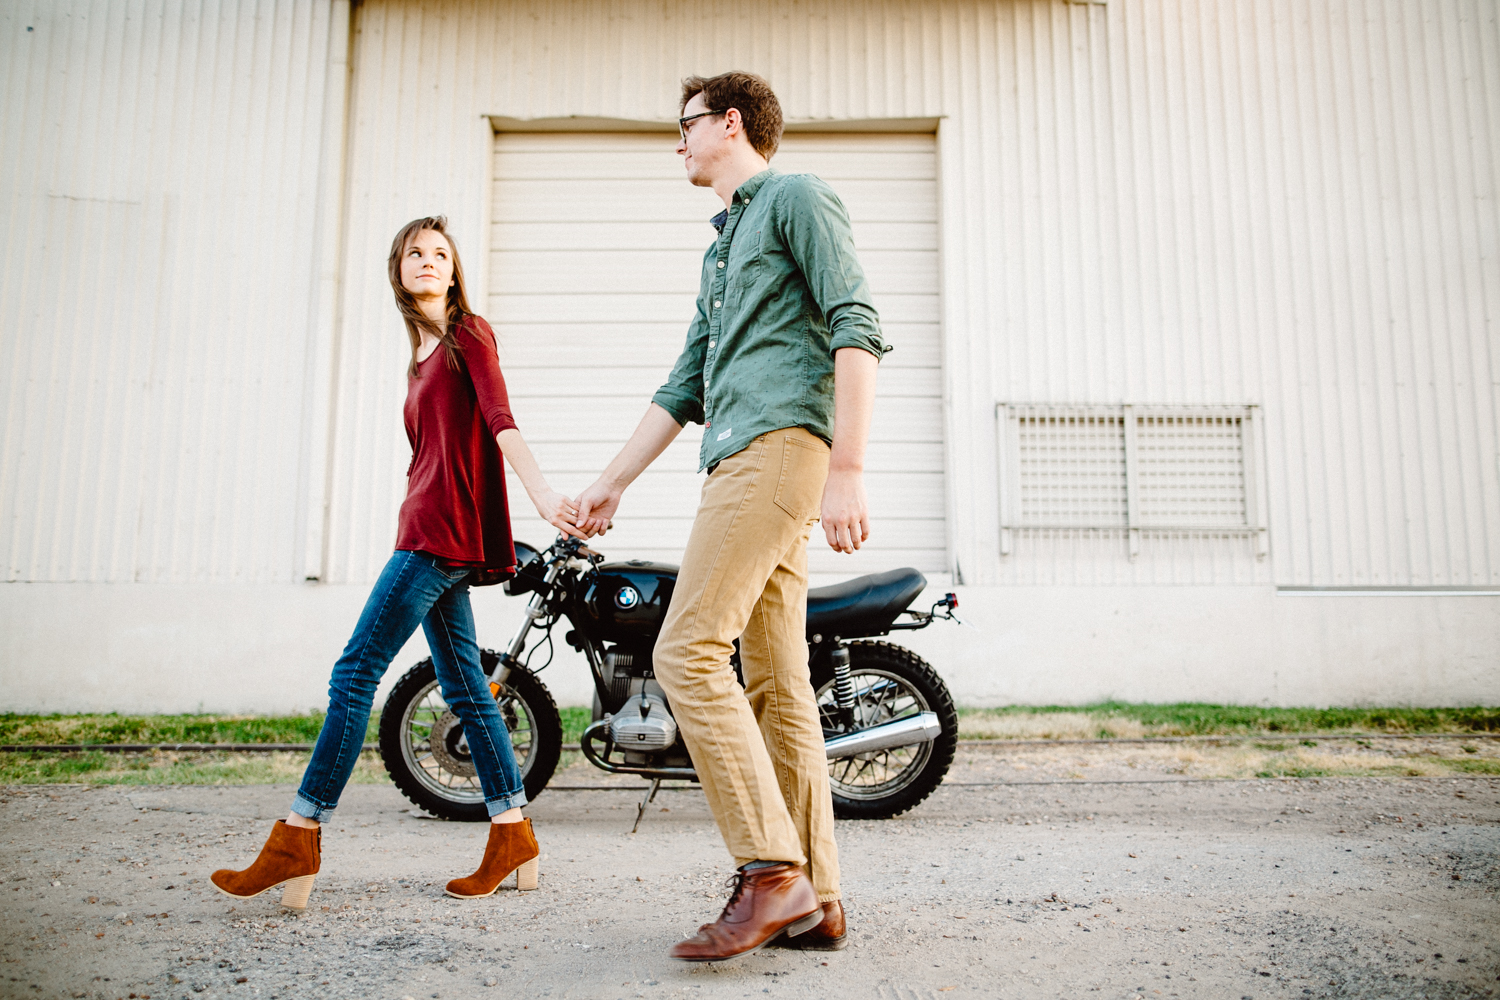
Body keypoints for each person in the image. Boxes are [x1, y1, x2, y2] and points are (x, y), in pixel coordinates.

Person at [574, 71, 883, 961]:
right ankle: (817, 899)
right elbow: (684, 384)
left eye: (685, 126)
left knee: (685, 648)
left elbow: (856, 324)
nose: (677, 143)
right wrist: (612, 483)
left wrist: (849, 468)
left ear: (730, 123)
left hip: (778, 449)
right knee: (774, 682)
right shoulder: (722, 249)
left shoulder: (795, 196)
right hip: (742, 456)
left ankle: (767, 871)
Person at [211, 216, 584, 908]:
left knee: (354, 672)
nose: (429, 261)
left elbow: (501, 419)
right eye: (416, 252)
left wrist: (543, 496)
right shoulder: (419, 358)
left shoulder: (470, 333)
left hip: (438, 536)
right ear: (398, 268)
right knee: (466, 685)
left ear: (454, 270)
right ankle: (511, 831)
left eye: (440, 253)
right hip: (428, 527)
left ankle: (299, 834)